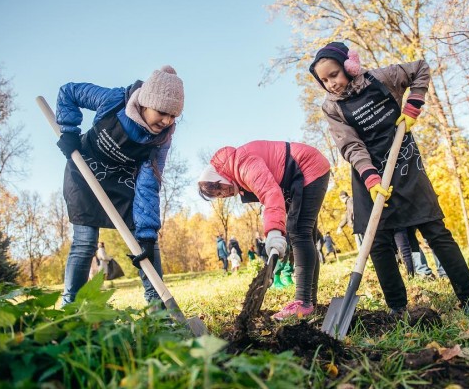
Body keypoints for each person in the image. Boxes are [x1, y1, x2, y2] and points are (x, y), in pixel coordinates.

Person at [309, 42, 469, 313]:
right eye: (324, 80)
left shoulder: (382, 78)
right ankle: (397, 308)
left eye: (334, 74)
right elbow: (351, 145)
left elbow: (420, 69)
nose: (331, 83)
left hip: (405, 164)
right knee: (376, 241)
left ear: (348, 66)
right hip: (368, 174)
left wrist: (413, 105)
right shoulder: (332, 107)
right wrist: (370, 178)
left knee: (434, 230)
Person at [55, 65, 184, 306]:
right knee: (85, 241)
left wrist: (146, 233)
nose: (167, 121)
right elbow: (69, 92)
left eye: (173, 115)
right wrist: (70, 131)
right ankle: (70, 306)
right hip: (84, 173)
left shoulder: (160, 140)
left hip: (122, 183)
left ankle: (158, 307)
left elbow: (148, 184)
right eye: (162, 112)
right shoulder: (114, 100)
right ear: (145, 102)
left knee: (146, 242)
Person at [198, 140, 330, 319]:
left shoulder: (242, 164)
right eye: (219, 195)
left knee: (299, 232)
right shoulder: (238, 172)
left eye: (220, 188)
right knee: (303, 234)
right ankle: (309, 302)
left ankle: (303, 301)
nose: (224, 194)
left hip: (307, 168)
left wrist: (274, 232)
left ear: (220, 176)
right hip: (300, 175)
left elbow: (270, 193)